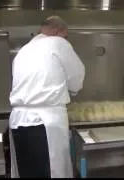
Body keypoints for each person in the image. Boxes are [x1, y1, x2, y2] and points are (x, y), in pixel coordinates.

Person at [8, 16, 85, 178]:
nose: (66, 40)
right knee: (50, 172)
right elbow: (76, 80)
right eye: (66, 36)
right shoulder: (58, 43)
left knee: (28, 172)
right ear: (56, 32)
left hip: (17, 121)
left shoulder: (23, 51)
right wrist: (72, 90)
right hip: (45, 122)